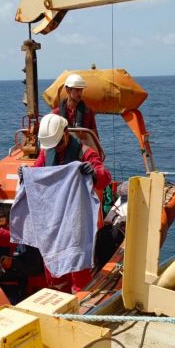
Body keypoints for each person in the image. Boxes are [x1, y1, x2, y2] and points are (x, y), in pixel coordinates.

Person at [31, 113, 111, 293]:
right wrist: (25, 176)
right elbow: (36, 173)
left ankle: (80, 299)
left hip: (76, 218)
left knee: (77, 262)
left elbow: (105, 177)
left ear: (66, 133)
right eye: (53, 145)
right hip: (54, 217)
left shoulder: (85, 153)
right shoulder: (46, 153)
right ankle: (59, 294)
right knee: (53, 260)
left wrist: (93, 173)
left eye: (58, 143)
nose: (57, 149)